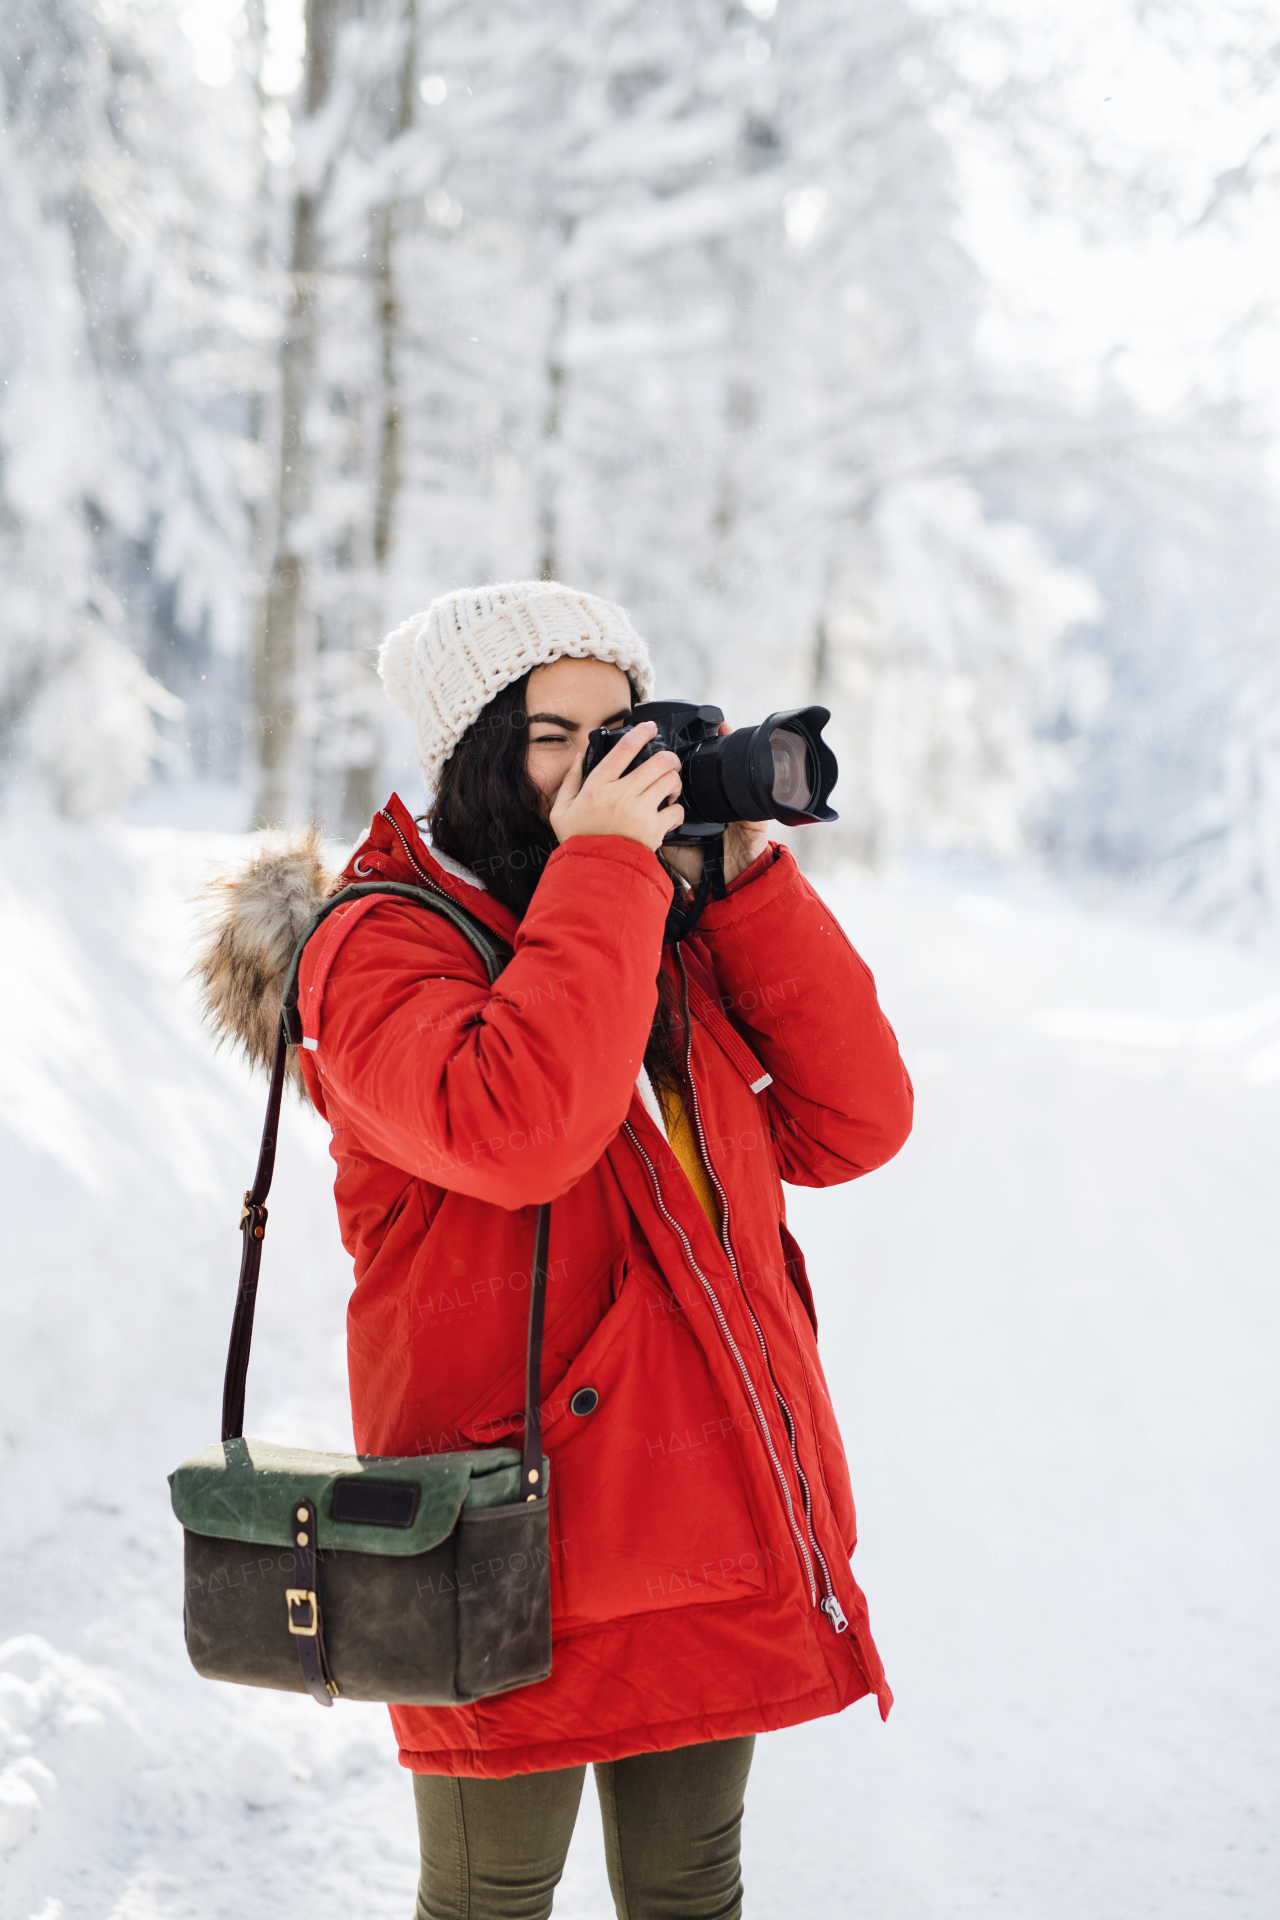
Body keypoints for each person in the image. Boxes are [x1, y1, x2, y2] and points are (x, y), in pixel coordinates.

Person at [202, 579, 913, 1920]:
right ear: (467, 749)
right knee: (489, 1902)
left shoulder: (647, 920)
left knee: (694, 1890)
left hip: (699, 1508)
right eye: (550, 733)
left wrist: (746, 881)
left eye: (619, 726)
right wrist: (606, 870)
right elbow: (519, 1127)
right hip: (496, 1536)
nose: (596, 763)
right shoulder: (376, 947)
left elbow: (855, 1124)